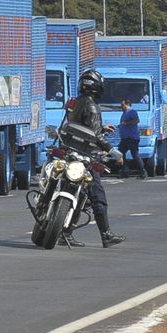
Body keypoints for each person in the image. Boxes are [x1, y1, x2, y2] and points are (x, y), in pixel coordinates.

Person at [64, 69, 126, 248]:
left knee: (79, 195)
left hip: (70, 151)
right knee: (97, 196)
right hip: (85, 156)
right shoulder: (92, 106)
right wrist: (114, 151)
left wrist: (101, 128)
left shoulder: (75, 103)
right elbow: (95, 136)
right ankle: (106, 235)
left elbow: (76, 126)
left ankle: (66, 231)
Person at [117, 98, 146, 178]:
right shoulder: (124, 113)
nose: (121, 106)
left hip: (132, 138)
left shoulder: (131, 112)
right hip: (125, 138)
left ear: (127, 104)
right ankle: (125, 171)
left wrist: (126, 123)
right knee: (120, 154)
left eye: (122, 105)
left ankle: (142, 172)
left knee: (135, 155)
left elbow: (136, 120)